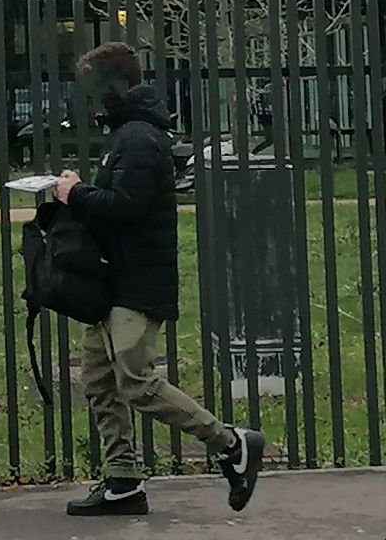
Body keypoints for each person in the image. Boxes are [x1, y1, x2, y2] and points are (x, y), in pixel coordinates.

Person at [55, 42, 264, 517]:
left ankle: (232, 443)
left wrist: (77, 192)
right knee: (99, 380)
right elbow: (115, 201)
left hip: (136, 285)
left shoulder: (139, 139)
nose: (87, 98)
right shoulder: (126, 137)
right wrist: (79, 191)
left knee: (137, 383)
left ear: (115, 86)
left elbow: (126, 208)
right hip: (112, 283)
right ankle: (123, 482)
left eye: (93, 87)